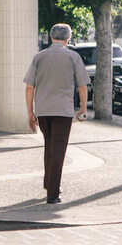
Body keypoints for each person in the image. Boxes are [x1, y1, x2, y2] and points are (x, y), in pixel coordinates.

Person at [23, 23, 89, 204]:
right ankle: (53, 193)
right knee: (58, 150)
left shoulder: (39, 57)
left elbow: (29, 87)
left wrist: (30, 112)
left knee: (50, 147)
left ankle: (49, 184)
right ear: (68, 39)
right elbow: (82, 86)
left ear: (51, 37)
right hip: (63, 110)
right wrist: (83, 109)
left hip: (43, 110)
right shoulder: (73, 57)